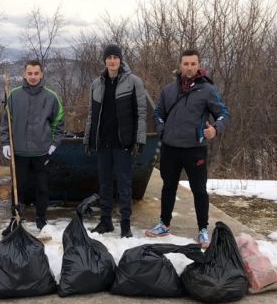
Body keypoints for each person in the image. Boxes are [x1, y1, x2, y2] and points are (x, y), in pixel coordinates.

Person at [146, 49, 230, 247]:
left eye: (193, 64)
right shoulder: (169, 90)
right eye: (186, 64)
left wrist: (215, 129)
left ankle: (202, 230)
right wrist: (162, 130)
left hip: (195, 149)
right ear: (180, 65)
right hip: (170, 148)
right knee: (168, 187)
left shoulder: (208, 90)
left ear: (198, 65)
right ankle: (164, 225)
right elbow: (158, 113)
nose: (189, 67)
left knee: (199, 190)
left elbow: (224, 114)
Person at [84, 43, 148, 238]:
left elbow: (141, 112)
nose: (112, 61)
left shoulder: (134, 82)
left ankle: (126, 225)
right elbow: (91, 115)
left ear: (121, 60)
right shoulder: (97, 84)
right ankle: (105, 222)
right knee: (104, 183)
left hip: (123, 143)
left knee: (124, 184)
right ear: (105, 60)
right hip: (103, 141)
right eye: (109, 57)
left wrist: (139, 139)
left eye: (115, 57)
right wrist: (88, 139)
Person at [1, 60, 65, 233]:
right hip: (19, 152)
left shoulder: (51, 97)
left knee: (42, 187)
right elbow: (6, 123)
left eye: (36, 73)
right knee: (18, 188)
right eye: (30, 73)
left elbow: (59, 124)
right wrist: (6, 142)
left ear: (41, 74)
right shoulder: (14, 96)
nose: (33, 77)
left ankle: (41, 220)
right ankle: (16, 220)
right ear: (24, 74)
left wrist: (53, 144)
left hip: (41, 152)